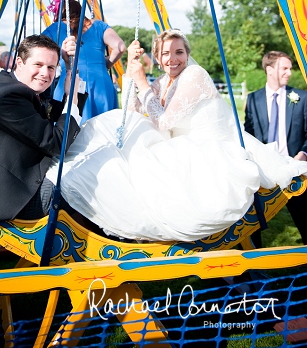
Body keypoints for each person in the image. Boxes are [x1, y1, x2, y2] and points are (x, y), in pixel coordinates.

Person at [51, 30, 307, 242]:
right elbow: (130, 112)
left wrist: (142, 83)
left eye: (179, 52)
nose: (173, 59)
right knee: (113, 124)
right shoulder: (162, 82)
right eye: (166, 53)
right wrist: (131, 71)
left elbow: (164, 121)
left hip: (211, 149)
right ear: (158, 58)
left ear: (187, 54)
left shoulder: (195, 75)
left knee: (147, 159)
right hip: (182, 145)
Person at [0, 34, 81, 238]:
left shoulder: (16, 89)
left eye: (51, 67)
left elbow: (57, 113)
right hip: (5, 201)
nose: (45, 73)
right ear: (19, 63)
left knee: (88, 170)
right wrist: (72, 98)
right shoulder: (8, 97)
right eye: (38, 64)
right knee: (89, 180)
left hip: (13, 187)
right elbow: (58, 142)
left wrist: (70, 66)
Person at [244, 50, 307, 244]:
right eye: (284, 68)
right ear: (269, 69)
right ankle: (253, 264)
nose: (289, 72)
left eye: (290, 68)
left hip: (295, 166)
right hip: (265, 168)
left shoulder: (302, 97)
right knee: (250, 216)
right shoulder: (254, 99)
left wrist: (303, 154)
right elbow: (249, 133)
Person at [42, 0, 126, 123]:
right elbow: (121, 47)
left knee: (69, 128)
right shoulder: (99, 26)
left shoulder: (56, 28)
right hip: (100, 84)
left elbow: (39, 50)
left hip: (70, 82)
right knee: (104, 130)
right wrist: (106, 64)